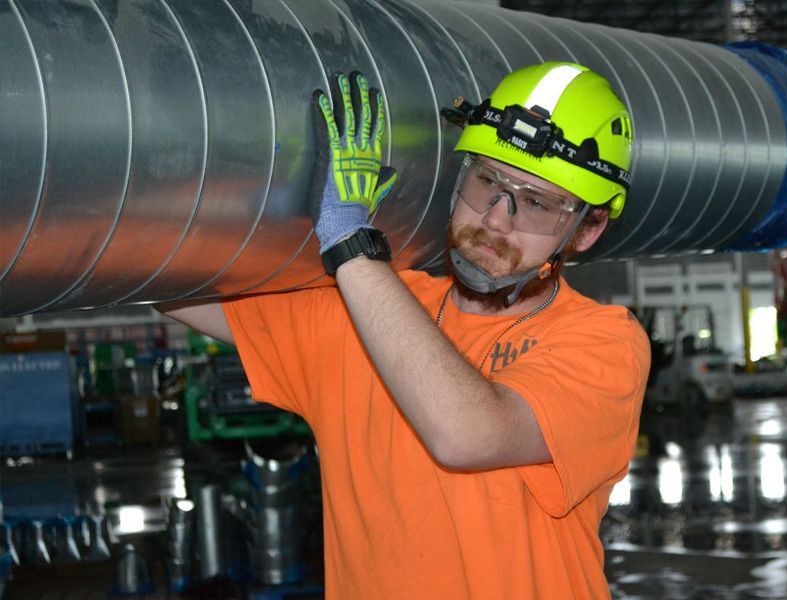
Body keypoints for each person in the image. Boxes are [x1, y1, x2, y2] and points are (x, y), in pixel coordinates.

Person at [160, 62, 651, 599]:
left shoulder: (605, 343)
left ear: (589, 229)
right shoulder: (365, 311)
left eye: (537, 204)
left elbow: (466, 434)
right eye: (487, 180)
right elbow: (161, 279)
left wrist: (350, 245)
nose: (496, 219)